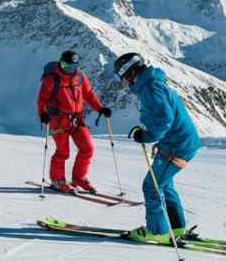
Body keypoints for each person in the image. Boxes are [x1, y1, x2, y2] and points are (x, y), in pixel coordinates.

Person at [113, 52, 202, 244]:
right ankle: (176, 227)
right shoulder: (151, 84)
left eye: (123, 78)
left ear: (130, 73)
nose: (124, 83)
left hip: (178, 146)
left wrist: (147, 136)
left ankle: (157, 231)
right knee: (164, 184)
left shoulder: (151, 88)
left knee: (152, 186)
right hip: (179, 142)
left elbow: (165, 118)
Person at [37, 50, 112, 193]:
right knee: (63, 152)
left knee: (87, 148)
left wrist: (100, 109)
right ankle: (58, 180)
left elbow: (89, 95)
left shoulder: (80, 77)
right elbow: (42, 100)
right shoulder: (51, 79)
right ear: (60, 62)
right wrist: (43, 114)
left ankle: (79, 178)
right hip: (58, 120)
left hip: (77, 119)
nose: (68, 69)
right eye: (65, 65)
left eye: (72, 66)